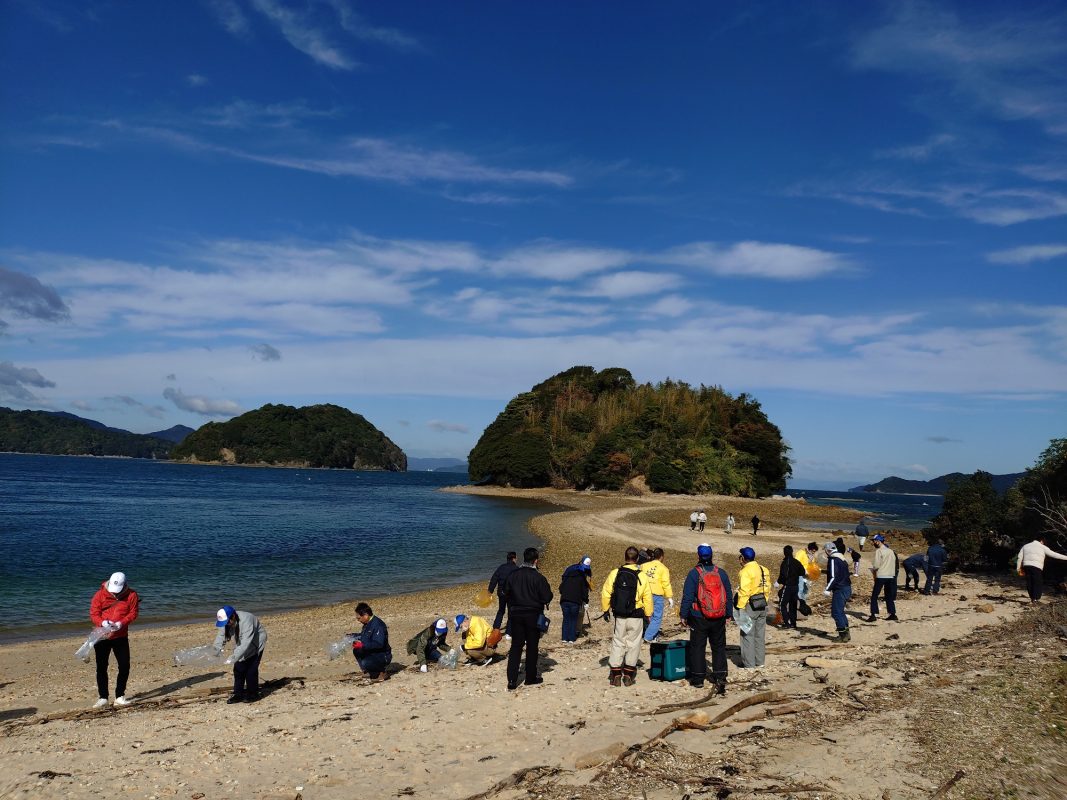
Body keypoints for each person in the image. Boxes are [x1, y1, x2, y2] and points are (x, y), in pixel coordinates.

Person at [680, 544, 733, 694]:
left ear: (698, 556)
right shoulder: (721, 573)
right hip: (719, 617)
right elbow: (728, 595)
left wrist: (683, 615)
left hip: (698, 616)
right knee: (719, 647)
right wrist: (729, 614)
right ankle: (720, 676)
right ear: (712, 555)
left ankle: (698, 679)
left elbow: (688, 596)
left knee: (697, 647)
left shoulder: (693, 574)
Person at [601, 546, 653, 687]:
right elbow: (647, 596)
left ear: (625, 557)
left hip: (620, 614)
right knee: (633, 643)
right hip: (636, 614)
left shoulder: (615, 573)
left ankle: (616, 673)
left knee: (618, 641)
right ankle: (629, 674)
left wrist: (605, 609)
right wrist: (648, 614)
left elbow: (606, 592)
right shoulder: (642, 575)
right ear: (637, 559)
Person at [89, 571, 140, 708]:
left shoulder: (132, 595)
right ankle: (103, 698)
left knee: (124, 665)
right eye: (113, 591)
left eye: (118, 591)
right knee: (101, 667)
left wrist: (121, 623)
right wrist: (103, 623)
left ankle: (119, 696)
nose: (115, 594)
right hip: (102, 636)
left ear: (124, 586)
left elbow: (133, 613)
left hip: (121, 636)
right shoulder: (99, 595)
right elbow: (94, 614)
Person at [504, 547, 553, 690]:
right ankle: (530, 678)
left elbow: (505, 591)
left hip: (517, 614)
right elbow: (547, 597)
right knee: (532, 647)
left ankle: (512, 681)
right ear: (536, 561)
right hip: (533, 615)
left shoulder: (514, 575)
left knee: (516, 646)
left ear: (524, 559)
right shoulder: (538, 577)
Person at [214, 605, 268, 703]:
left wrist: (233, 657)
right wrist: (215, 651)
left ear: (233, 616)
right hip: (242, 641)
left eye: (227, 622)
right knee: (238, 669)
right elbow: (221, 636)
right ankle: (238, 694)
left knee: (251, 668)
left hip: (255, 642)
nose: (227, 625)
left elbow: (246, 643)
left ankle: (253, 694)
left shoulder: (246, 620)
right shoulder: (226, 621)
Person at [735, 547, 771, 668]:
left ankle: (749, 664)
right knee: (760, 634)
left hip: (749, 605)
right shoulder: (763, 568)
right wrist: (765, 600)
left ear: (743, 558)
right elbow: (767, 586)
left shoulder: (745, 571)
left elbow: (744, 591)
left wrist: (740, 607)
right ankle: (760, 661)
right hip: (762, 603)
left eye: (740, 557)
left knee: (747, 634)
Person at [1016, 536, 1067, 604]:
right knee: (1037, 582)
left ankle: (1032, 598)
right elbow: (1054, 554)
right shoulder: (1042, 547)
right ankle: (1036, 599)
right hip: (1036, 566)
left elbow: (1019, 557)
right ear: (1041, 541)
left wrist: (1018, 568)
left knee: (1029, 581)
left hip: (1027, 566)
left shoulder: (1025, 546)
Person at [351, 601, 391, 681]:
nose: (358, 620)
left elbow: (379, 644)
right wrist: (353, 636)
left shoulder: (378, 625)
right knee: (356, 650)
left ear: (365, 615)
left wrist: (362, 645)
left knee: (366, 662)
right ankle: (368, 671)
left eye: (359, 618)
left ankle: (382, 672)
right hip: (374, 653)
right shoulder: (367, 624)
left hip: (383, 655)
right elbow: (365, 636)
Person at [641, 547, 673, 642]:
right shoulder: (664, 569)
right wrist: (669, 597)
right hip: (656, 595)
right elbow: (666, 584)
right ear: (662, 557)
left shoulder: (643, 566)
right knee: (657, 617)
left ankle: (645, 633)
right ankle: (648, 637)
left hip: (644, 594)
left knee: (646, 615)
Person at [559, 556, 592, 642]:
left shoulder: (569, 574)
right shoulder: (580, 577)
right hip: (575, 600)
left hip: (565, 599)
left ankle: (564, 638)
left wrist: (565, 593)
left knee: (566, 619)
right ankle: (572, 638)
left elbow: (561, 587)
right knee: (574, 619)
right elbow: (584, 591)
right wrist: (586, 601)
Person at [824, 542, 852, 642]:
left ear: (827, 551)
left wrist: (827, 589)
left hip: (840, 588)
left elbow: (833, 576)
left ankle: (842, 635)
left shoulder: (833, 560)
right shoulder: (842, 558)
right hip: (847, 587)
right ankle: (846, 634)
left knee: (836, 612)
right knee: (840, 611)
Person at [867, 534, 898, 622]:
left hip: (881, 576)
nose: (873, 542)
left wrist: (873, 570)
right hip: (891, 576)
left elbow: (876, 565)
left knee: (874, 596)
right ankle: (892, 613)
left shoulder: (879, 551)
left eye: (874, 541)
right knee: (888, 595)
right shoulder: (891, 551)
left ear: (878, 541)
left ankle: (873, 614)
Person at [488, 552, 519, 635]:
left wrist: (490, 590)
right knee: (510, 612)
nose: (517, 559)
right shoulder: (516, 568)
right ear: (514, 559)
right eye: (516, 558)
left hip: (501, 593)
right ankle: (508, 632)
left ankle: (495, 628)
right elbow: (518, 582)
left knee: (501, 611)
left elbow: (494, 578)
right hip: (511, 594)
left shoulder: (501, 567)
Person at [774, 545, 805, 629]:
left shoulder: (785, 562)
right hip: (795, 587)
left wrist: (778, 582)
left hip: (788, 586)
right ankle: (793, 624)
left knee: (782, 605)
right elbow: (802, 572)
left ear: (784, 553)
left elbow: (783, 575)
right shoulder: (796, 562)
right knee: (793, 605)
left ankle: (787, 623)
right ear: (792, 552)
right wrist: (795, 575)